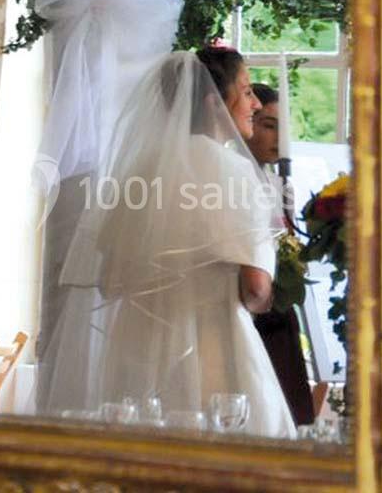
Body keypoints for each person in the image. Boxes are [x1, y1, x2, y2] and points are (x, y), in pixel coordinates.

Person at [39, 47, 297, 438]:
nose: (256, 104)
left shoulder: (140, 173)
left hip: (136, 361)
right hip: (216, 355)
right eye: (246, 92)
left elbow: (110, 281)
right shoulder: (237, 172)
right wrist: (257, 300)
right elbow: (256, 287)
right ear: (215, 104)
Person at [245, 83, 316, 426]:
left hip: (278, 318)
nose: (278, 137)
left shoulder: (277, 184)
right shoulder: (231, 181)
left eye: (284, 128)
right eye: (269, 125)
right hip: (250, 313)